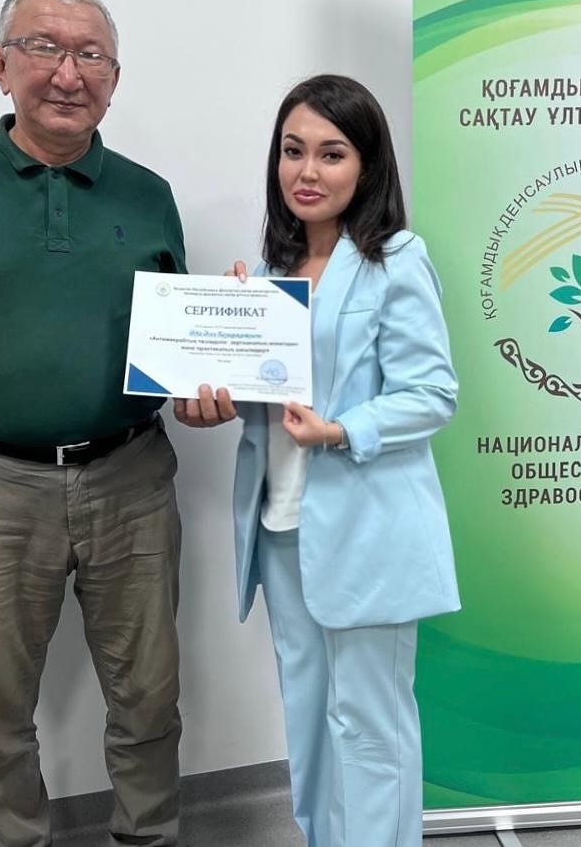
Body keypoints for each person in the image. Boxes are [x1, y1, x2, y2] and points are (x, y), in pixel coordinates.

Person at [0, 0, 233, 847]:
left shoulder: (148, 195)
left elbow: (172, 350)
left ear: (115, 79)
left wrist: (212, 383)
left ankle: (148, 838)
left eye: (91, 55)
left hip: (132, 479)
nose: (68, 73)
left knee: (150, 698)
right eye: (43, 47)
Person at [225, 74, 460, 847]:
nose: (307, 171)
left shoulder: (395, 259)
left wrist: (341, 429)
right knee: (309, 716)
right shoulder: (269, 274)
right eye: (292, 151)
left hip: (367, 527)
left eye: (331, 154)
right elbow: (264, 401)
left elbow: (432, 393)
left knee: (368, 723)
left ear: (366, 165)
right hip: (281, 528)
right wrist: (221, 357)